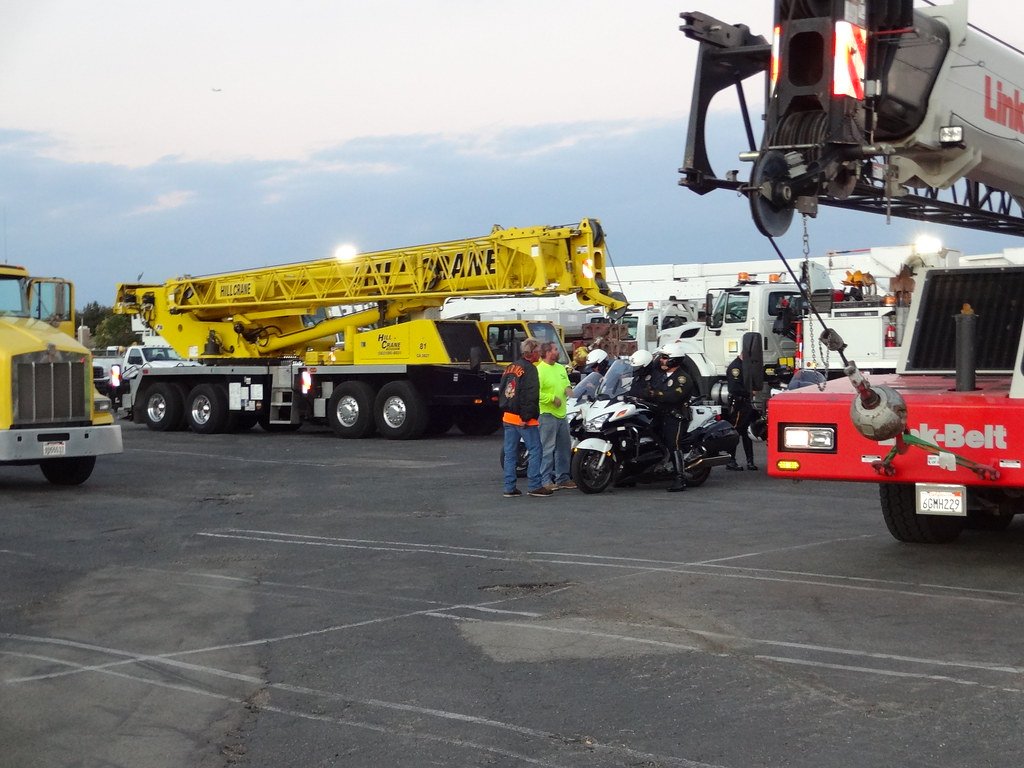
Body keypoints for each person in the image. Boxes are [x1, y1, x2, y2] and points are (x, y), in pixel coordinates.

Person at [637, 341, 696, 492]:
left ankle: (680, 478)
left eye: (664, 357)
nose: (661, 360)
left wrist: (654, 394)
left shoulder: (683, 378)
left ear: (674, 359)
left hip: (675, 416)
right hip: (658, 413)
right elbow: (645, 388)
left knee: (673, 444)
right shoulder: (659, 375)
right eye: (661, 357)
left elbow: (673, 396)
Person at [499, 337, 552, 497]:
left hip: (508, 416)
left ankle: (509, 487)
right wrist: (526, 417)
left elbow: (502, 390)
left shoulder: (510, 367)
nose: (539, 355)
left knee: (510, 453)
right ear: (533, 353)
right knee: (536, 450)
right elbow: (530, 395)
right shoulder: (530, 369)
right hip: (523, 419)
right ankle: (535, 485)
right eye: (538, 352)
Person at [536, 340, 576, 491]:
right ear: (547, 353)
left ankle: (563, 478)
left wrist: (569, 390)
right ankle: (545, 480)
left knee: (564, 447)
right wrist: (552, 399)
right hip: (547, 414)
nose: (557, 351)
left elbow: (566, 383)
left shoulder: (560, 368)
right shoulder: (539, 370)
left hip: (562, 414)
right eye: (554, 349)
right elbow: (536, 393)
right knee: (547, 449)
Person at [725, 350, 759, 471]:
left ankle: (750, 461)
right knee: (735, 432)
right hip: (738, 403)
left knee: (747, 433)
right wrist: (750, 392)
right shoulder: (736, 367)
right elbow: (734, 388)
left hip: (745, 403)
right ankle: (731, 460)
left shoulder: (743, 366)